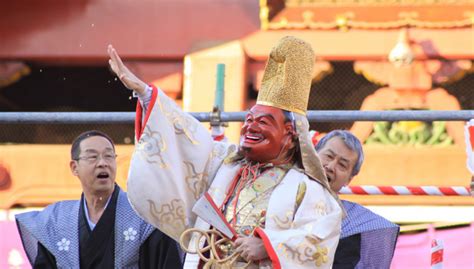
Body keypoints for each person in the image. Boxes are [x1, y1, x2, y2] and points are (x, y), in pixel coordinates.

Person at [108, 36, 343, 268]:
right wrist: (146, 93)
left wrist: (268, 246)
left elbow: (319, 240)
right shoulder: (226, 166)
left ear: (291, 136)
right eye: (249, 119)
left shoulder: (307, 189)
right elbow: (187, 137)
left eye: (264, 122)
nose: (250, 126)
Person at [15, 130, 183, 268]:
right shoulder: (56, 221)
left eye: (109, 156)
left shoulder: (145, 216)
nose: (102, 163)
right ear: (74, 168)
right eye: (92, 157)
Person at [315, 130, 399, 269]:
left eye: (342, 165)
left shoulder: (351, 228)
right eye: (329, 156)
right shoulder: (277, 191)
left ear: (349, 179)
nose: (330, 167)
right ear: (312, 154)